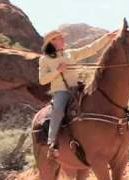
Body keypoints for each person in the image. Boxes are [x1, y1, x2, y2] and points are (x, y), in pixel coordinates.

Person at [39, 30, 117, 158]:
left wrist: (106, 38)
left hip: (78, 87)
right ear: (52, 41)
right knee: (58, 110)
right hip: (62, 91)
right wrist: (58, 71)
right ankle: (52, 144)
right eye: (59, 38)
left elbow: (89, 49)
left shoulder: (70, 54)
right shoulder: (45, 60)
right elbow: (42, 80)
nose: (63, 39)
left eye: (62, 37)